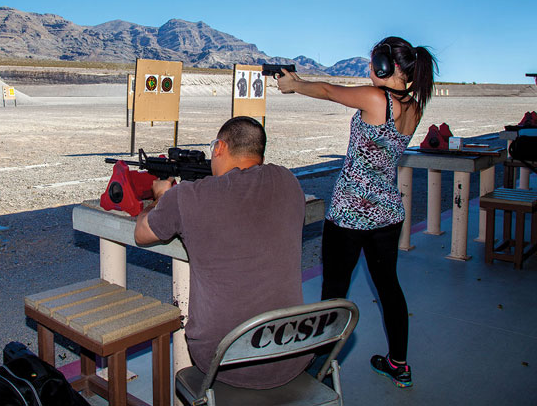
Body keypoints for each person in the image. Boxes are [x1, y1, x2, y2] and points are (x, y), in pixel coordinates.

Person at [277, 36, 438, 389]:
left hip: (350, 214)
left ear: (386, 66)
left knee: (334, 292)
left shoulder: (376, 98)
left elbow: (329, 91)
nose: (369, 69)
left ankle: (318, 371)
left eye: (374, 62)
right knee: (389, 289)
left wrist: (295, 85)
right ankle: (399, 364)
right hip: (388, 215)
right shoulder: (413, 104)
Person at [134, 116, 311, 389]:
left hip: (224, 359)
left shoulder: (187, 197)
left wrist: (161, 197)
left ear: (218, 148)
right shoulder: (287, 180)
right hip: (293, 350)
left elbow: (142, 234)